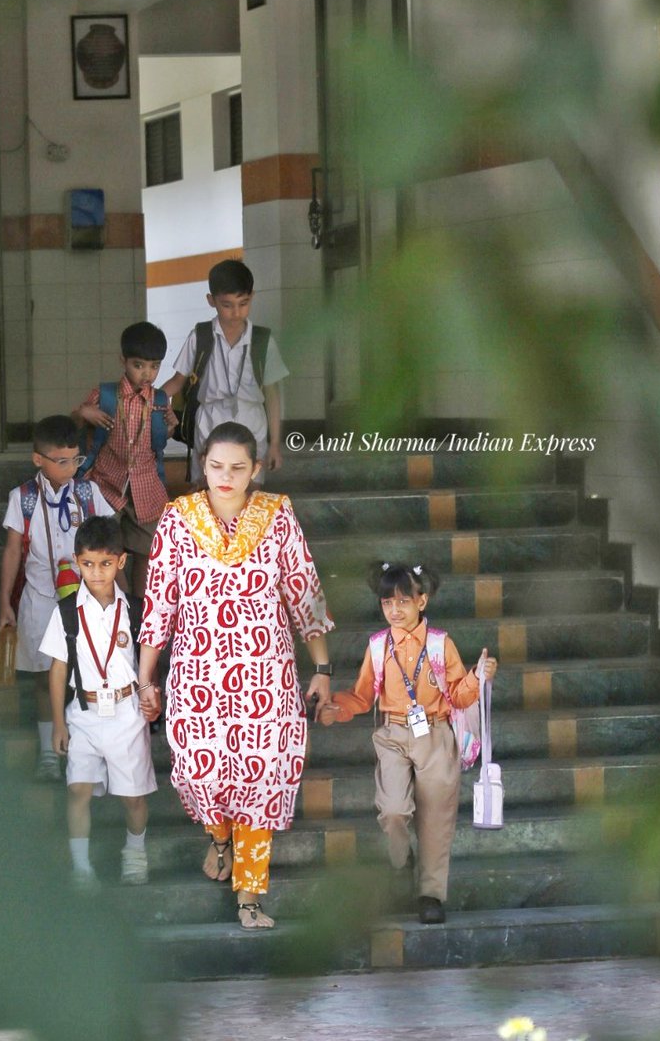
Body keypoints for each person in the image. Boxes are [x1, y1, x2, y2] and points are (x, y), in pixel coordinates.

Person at [137, 421, 334, 930]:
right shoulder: (177, 519)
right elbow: (160, 605)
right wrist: (146, 679)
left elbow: (303, 593)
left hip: (265, 675)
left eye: (238, 468)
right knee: (200, 774)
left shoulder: (277, 515)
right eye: (217, 466)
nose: (226, 476)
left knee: (261, 778)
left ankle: (249, 897)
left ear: (256, 470)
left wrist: (322, 667)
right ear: (202, 464)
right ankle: (219, 839)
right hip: (197, 676)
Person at [319, 561, 498, 925]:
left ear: (422, 601)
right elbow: (362, 696)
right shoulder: (377, 646)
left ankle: (431, 894)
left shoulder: (440, 644)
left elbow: (460, 696)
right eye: (387, 603)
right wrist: (336, 709)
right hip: (393, 735)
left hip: (435, 735)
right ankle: (402, 861)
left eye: (403, 601)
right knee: (394, 810)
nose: (394, 610)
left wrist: (478, 677)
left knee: (436, 820)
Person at [39, 515, 159, 890]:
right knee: (78, 789)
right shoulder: (66, 612)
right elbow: (58, 671)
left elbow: (149, 662)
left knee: (133, 797)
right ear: (77, 562)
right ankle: (81, 867)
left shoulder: (136, 610)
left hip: (127, 714)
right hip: (85, 714)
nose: (96, 573)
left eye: (106, 564)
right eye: (88, 564)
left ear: (121, 562)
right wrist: (59, 723)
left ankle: (135, 853)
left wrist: (151, 694)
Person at [0, 415, 114, 781]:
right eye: (61, 461)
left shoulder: (88, 493)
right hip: (40, 600)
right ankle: (49, 753)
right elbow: (13, 551)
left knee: (92, 674)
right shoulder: (24, 498)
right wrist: (5, 602)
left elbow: (110, 541)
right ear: (38, 460)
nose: (71, 467)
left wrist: (116, 597)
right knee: (42, 677)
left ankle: (91, 752)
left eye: (76, 459)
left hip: (87, 600)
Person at [73, 321, 177, 599]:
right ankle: (119, 600)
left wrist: (171, 426)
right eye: (139, 365)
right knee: (105, 548)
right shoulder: (105, 394)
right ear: (123, 361)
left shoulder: (160, 400)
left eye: (154, 366)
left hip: (146, 489)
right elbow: (74, 425)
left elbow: (159, 442)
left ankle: (140, 610)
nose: (147, 373)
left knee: (147, 551)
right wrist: (85, 413)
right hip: (106, 484)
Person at [162, 259, 288, 482]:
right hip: (210, 420)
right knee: (206, 488)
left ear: (252, 297)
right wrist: (145, 399)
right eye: (227, 305)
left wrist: (275, 444)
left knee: (250, 489)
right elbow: (178, 381)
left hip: (252, 420)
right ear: (211, 301)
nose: (236, 312)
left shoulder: (263, 340)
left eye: (243, 303)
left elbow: (272, 394)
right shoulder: (200, 336)